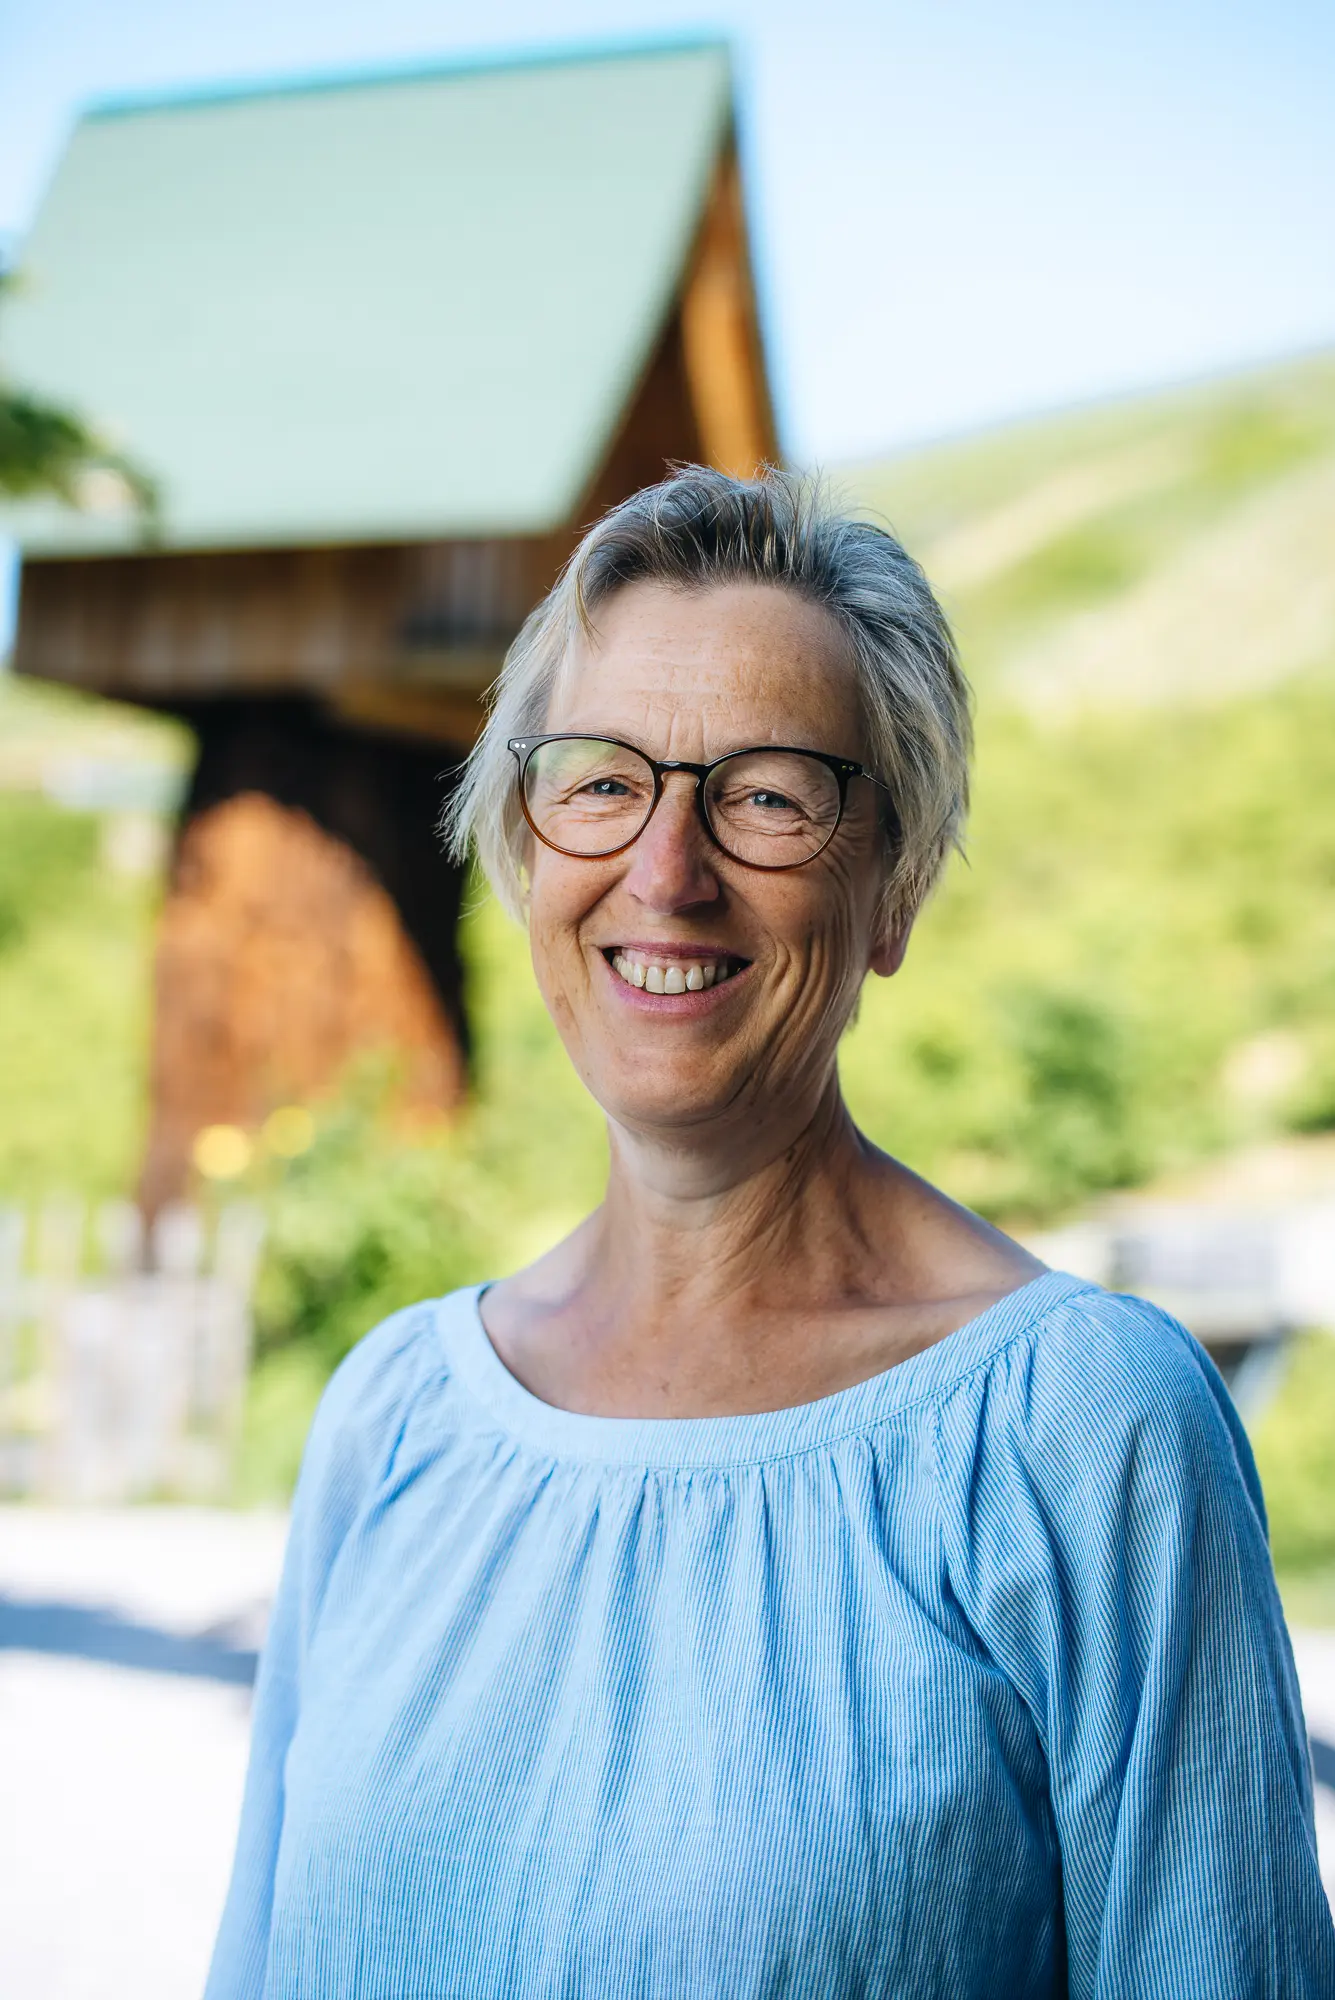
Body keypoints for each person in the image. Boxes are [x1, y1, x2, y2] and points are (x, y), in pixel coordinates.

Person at [206, 467, 1334, 1998]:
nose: (665, 872)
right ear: (529, 850)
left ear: (894, 889)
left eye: (766, 795)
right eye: (603, 780)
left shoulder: (1080, 1428)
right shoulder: (393, 1417)